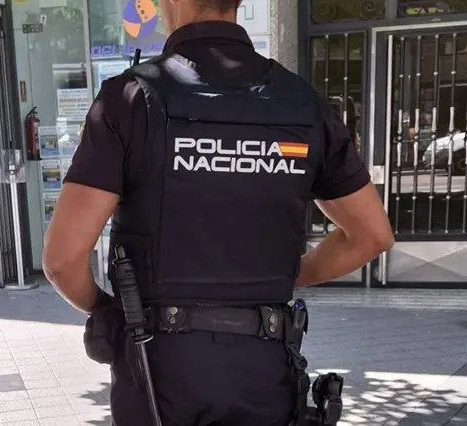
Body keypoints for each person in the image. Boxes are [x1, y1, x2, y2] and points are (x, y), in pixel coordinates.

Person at [42, 0, 395, 424]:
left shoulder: (130, 98)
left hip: (158, 373)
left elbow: (62, 260)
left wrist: (111, 312)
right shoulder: (304, 104)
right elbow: (371, 235)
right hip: (265, 370)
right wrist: (286, 273)